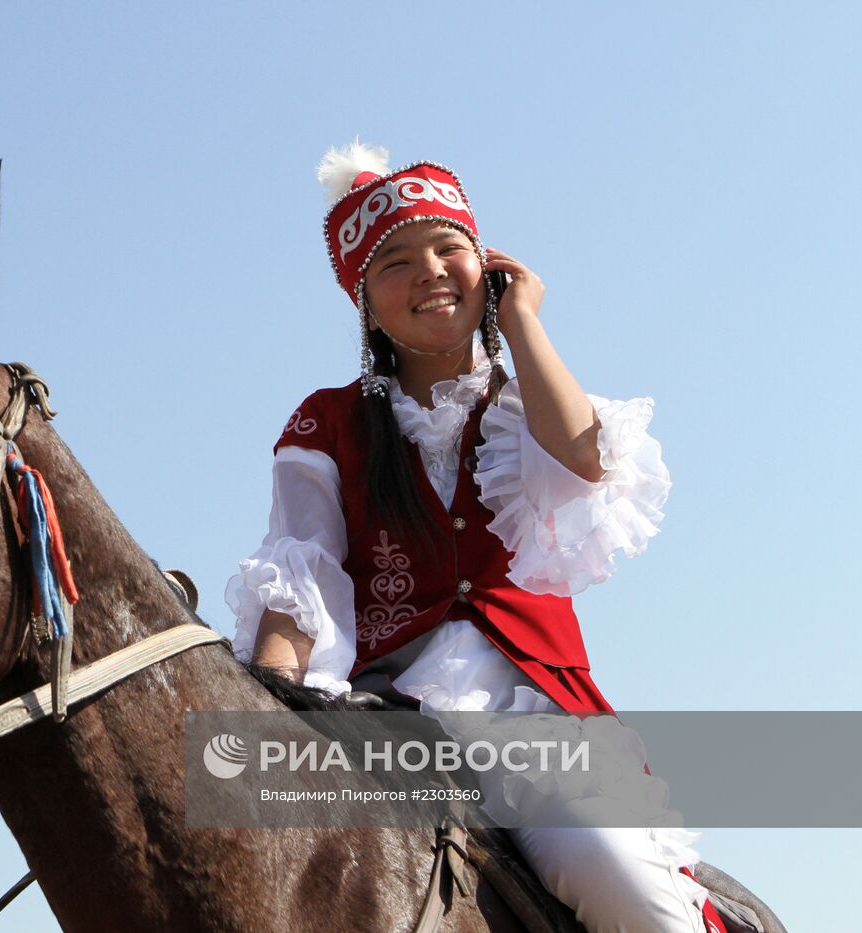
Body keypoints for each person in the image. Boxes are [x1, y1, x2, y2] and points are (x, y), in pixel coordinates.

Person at [225, 141, 725, 933]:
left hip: (534, 728)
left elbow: (586, 457)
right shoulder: (326, 422)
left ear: (483, 266)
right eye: (395, 261)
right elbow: (302, 574)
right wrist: (270, 704)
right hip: (390, 723)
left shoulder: (525, 403)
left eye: (448, 248)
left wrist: (521, 319)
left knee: (620, 876)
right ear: (363, 299)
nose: (428, 271)